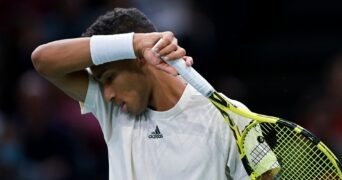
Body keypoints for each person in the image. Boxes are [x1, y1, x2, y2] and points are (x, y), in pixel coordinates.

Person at [31, 7, 275, 180]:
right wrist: (137, 43)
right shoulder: (112, 111)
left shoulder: (230, 116)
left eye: (110, 78)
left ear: (140, 61)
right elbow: (42, 60)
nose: (107, 95)